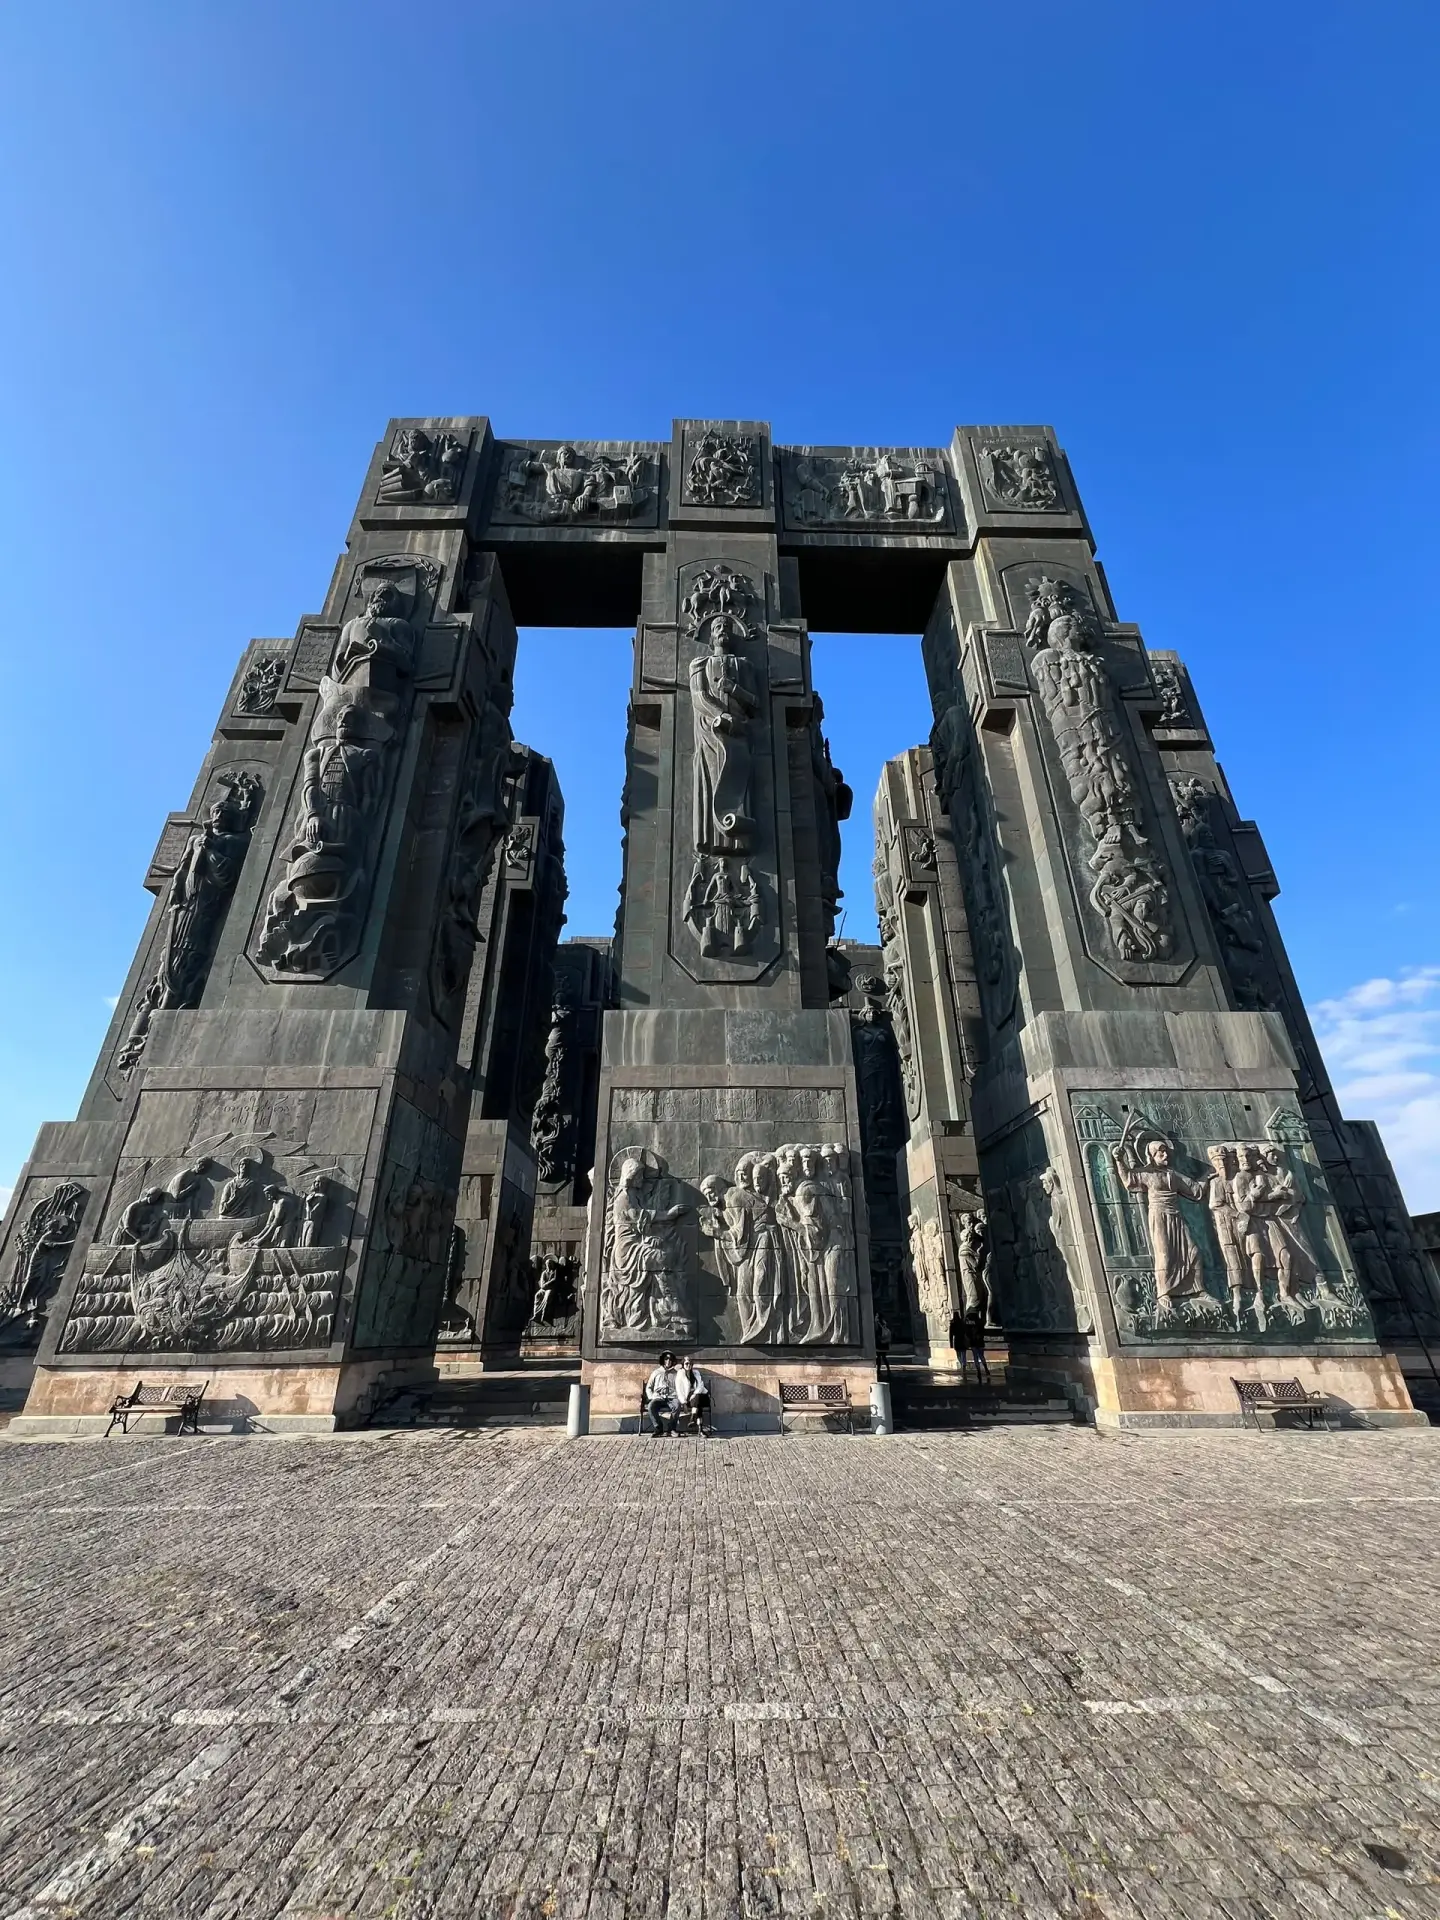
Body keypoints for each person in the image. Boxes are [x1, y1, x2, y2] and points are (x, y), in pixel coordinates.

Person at [644, 1352, 682, 1436]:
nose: (668, 1361)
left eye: (670, 1359)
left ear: (673, 1361)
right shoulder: (656, 1372)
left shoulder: (676, 1373)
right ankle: (658, 1428)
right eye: (666, 1359)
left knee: (677, 1405)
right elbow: (648, 1387)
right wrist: (652, 1397)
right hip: (658, 1397)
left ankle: (672, 1429)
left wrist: (679, 1396)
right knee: (651, 1406)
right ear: (663, 1360)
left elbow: (680, 1386)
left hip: (671, 1397)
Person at [677, 1357, 712, 1436]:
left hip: (701, 1396)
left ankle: (693, 1418)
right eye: (686, 1363)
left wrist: (694, 1394)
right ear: (683, 1365)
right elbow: (679, 1389)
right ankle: (700, 1430)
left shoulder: (696, 1372)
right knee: (698, 1404)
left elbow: (701, 1385)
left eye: (690, 1363)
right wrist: (684, 1402)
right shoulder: (680, 1374)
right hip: (689, 1400)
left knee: (698, 1398)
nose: (688, 1365)